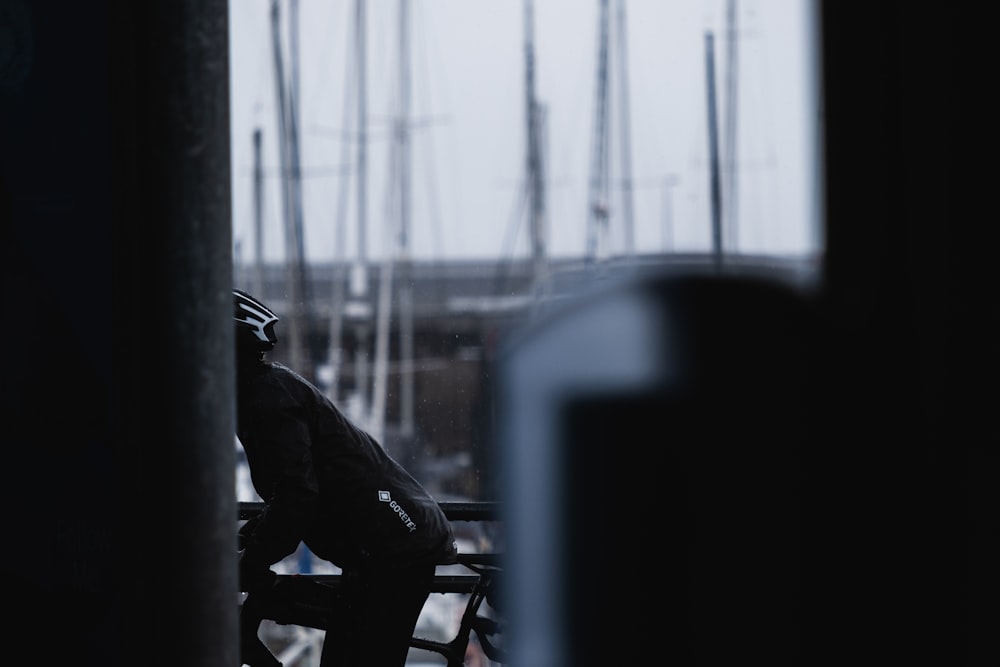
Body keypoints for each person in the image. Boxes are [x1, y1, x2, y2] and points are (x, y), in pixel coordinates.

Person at [233, 288, 458, 666]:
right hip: (385, 543)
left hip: (396, 546)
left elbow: (297, 494)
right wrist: (255, 536)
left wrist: (253, 558)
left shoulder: (265, 398)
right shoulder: (266, 389)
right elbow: (304, 486)